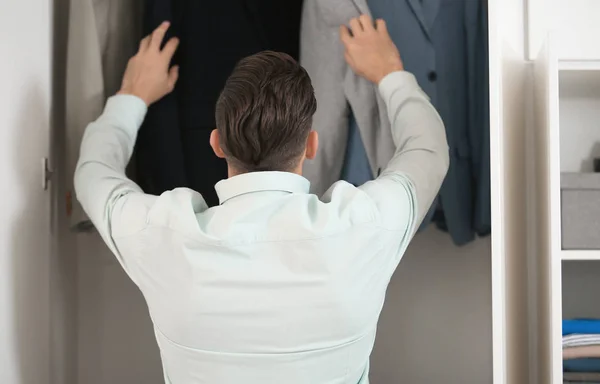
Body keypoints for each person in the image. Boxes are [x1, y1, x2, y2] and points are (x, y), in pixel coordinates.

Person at [74, 15, 449, 384]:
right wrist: (390, 73)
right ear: (312, 145)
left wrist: (133, 96)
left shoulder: (162, 233)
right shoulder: (367, 224)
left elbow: (94, 172)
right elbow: (428, 148)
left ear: (216, 143)